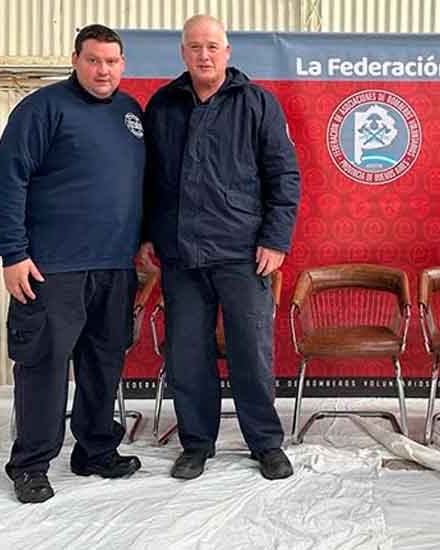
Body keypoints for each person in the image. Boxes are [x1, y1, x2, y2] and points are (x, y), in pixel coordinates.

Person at [0, 24, 145, 504]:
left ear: (122, 64)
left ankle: (95, 449)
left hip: (115, 265)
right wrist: (13, 252)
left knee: (104, 361)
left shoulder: (130, 112)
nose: (104, 70)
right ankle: (32, 464)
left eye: (112, 61)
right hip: (52, 267)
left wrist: (142, 244)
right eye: (94, 60)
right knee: (44, 364)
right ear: (75, 59)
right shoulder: (42, 108)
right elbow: (7, 180)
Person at [140, 15, 301, 481]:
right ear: (183, 53)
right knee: (187, 354)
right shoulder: (163, 106)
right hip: (180, 256)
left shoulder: (257, 104)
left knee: (251, 353)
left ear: (228, 52)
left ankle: (265, 444)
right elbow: (149, 179)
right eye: (195, 47)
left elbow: (284, 177)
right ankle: (197, 443)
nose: (204, 55)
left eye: (212, 46)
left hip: (242, 254)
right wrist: (148, 233)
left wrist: (275, 239)